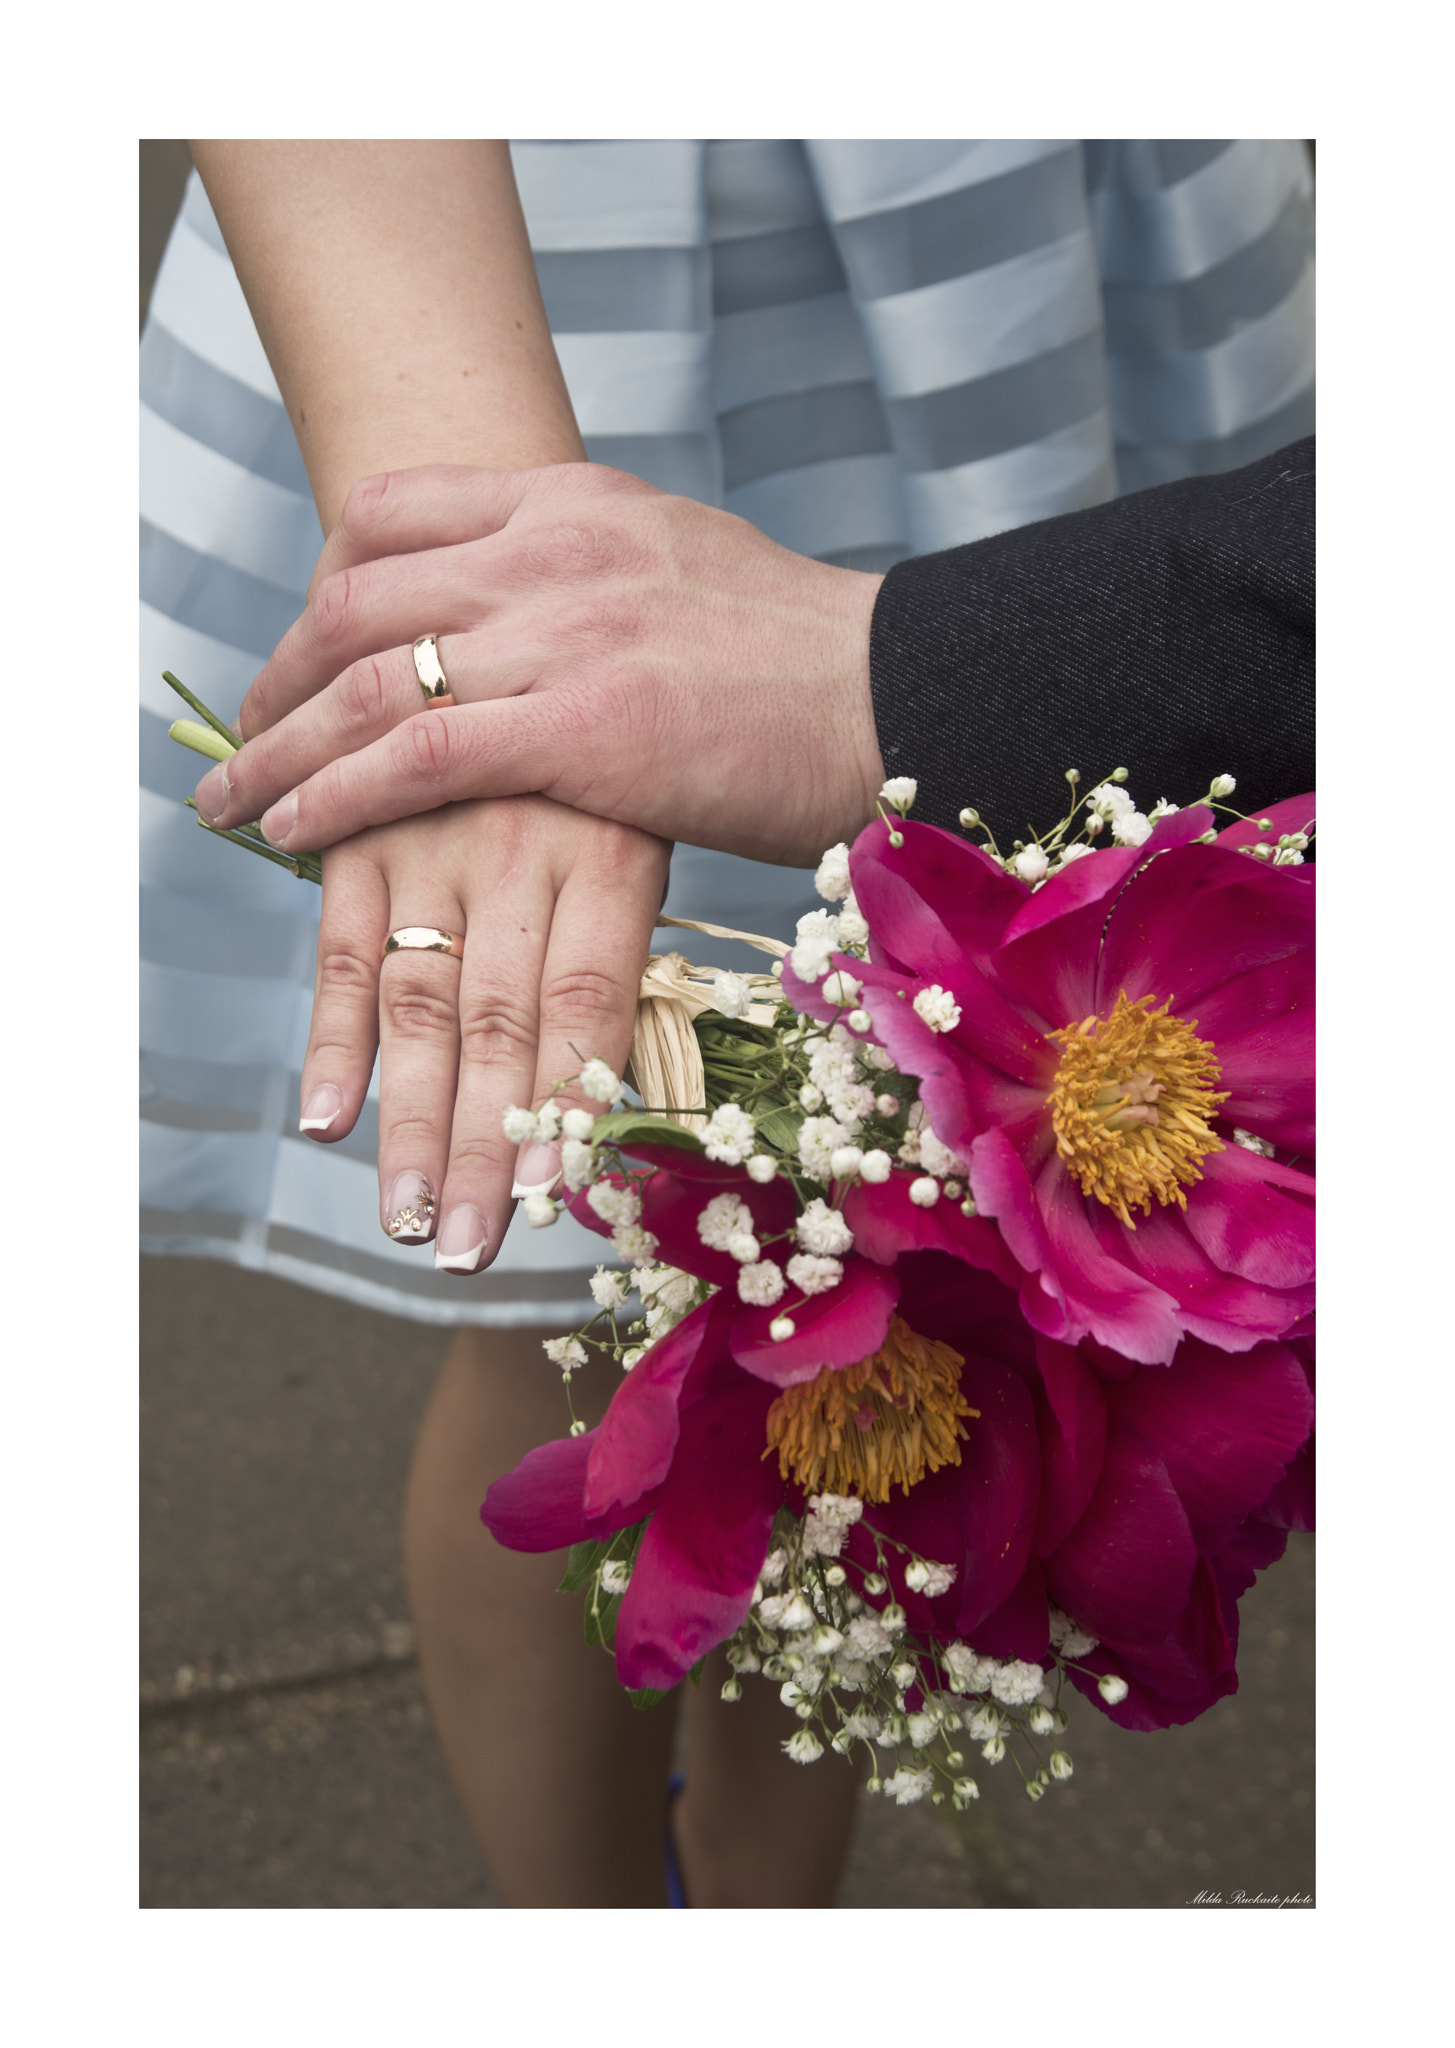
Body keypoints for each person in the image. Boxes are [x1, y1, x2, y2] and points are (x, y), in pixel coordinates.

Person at [143, 139, 1314, 1905]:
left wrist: (921, 667)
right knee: (588, 1293)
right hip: (488, 275)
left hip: (1016, 242)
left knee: (939, 1328)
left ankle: (772, 1924)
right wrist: (491, 593)